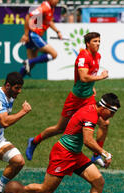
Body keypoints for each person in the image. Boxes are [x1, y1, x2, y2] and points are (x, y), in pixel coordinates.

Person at [23, 93, 120, 193]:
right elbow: (88, 140)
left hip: (75, 155)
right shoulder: (90, 115)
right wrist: (104, 153)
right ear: (104, 107)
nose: (111, 116)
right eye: (111, 112)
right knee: (46, 190)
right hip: (63, 155)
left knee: (98, 181)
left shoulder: (92, 110)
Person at [25, 32, 109, 168]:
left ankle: (96, 156)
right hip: (75, 99)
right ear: (88, 43)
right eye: (95, 41)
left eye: (99, 41)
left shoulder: (97, 56)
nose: (98, 44)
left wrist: (91, 87)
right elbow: (83, 77)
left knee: (104, 123)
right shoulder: (83, 56)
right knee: (60, 128)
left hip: (88, 99)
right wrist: (100, 77)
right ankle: (34, 141)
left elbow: (88, 78)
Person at [0, 72, 31, 193]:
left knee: (18, 161)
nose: (19, 91)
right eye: (17, 88)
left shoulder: (10, 96)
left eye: (20, 88)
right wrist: (23, 112)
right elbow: (4, 122)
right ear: (8, 85)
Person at [19, 0, 63, 77]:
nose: (57, 1)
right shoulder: (45, 7)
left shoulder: (51, 7)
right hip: (34, 35)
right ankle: (29, 62)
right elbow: (28, 16)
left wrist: (57, 31)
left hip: (33, 34)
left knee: (31, 64)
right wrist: (25, 35)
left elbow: (49, 22)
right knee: (54, 54)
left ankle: (15, 82)